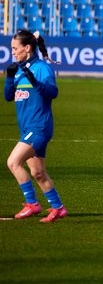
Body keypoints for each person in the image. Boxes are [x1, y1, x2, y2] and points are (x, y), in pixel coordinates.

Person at [4, 30, 67, 222]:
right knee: (38, 173)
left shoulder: (42, 68)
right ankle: (58, 208)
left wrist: (34, 81)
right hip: (27, 127)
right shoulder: (19, 70)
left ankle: (32, 204)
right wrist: (9, 78)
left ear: (27, 48)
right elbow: (8, 97)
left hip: (39, 127)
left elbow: (53, 92)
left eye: (15, 48)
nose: (13, 52)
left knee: (13, 162)